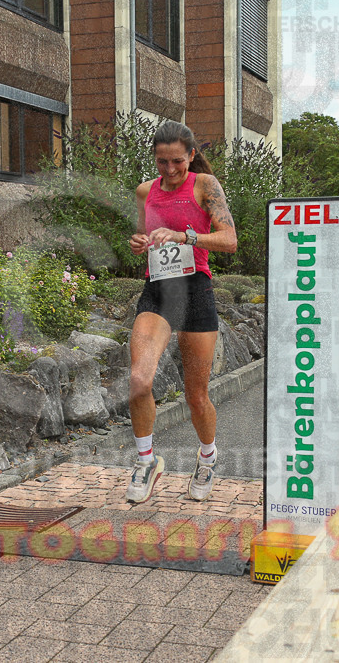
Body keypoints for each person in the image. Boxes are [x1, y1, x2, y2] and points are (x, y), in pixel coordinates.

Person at [125, 121, 237, 504]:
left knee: (196, 396)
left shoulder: (206, 186)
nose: (169, 169)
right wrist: (140, 243)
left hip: (195, 291)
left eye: (177, 161)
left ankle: (207, 457)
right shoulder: (145, 191)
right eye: (161, 162)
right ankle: (146, 461)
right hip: (157, 292)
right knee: (139, 380)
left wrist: (185, 235)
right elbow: (143, 240)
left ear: (191, 155)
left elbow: (230, 240)